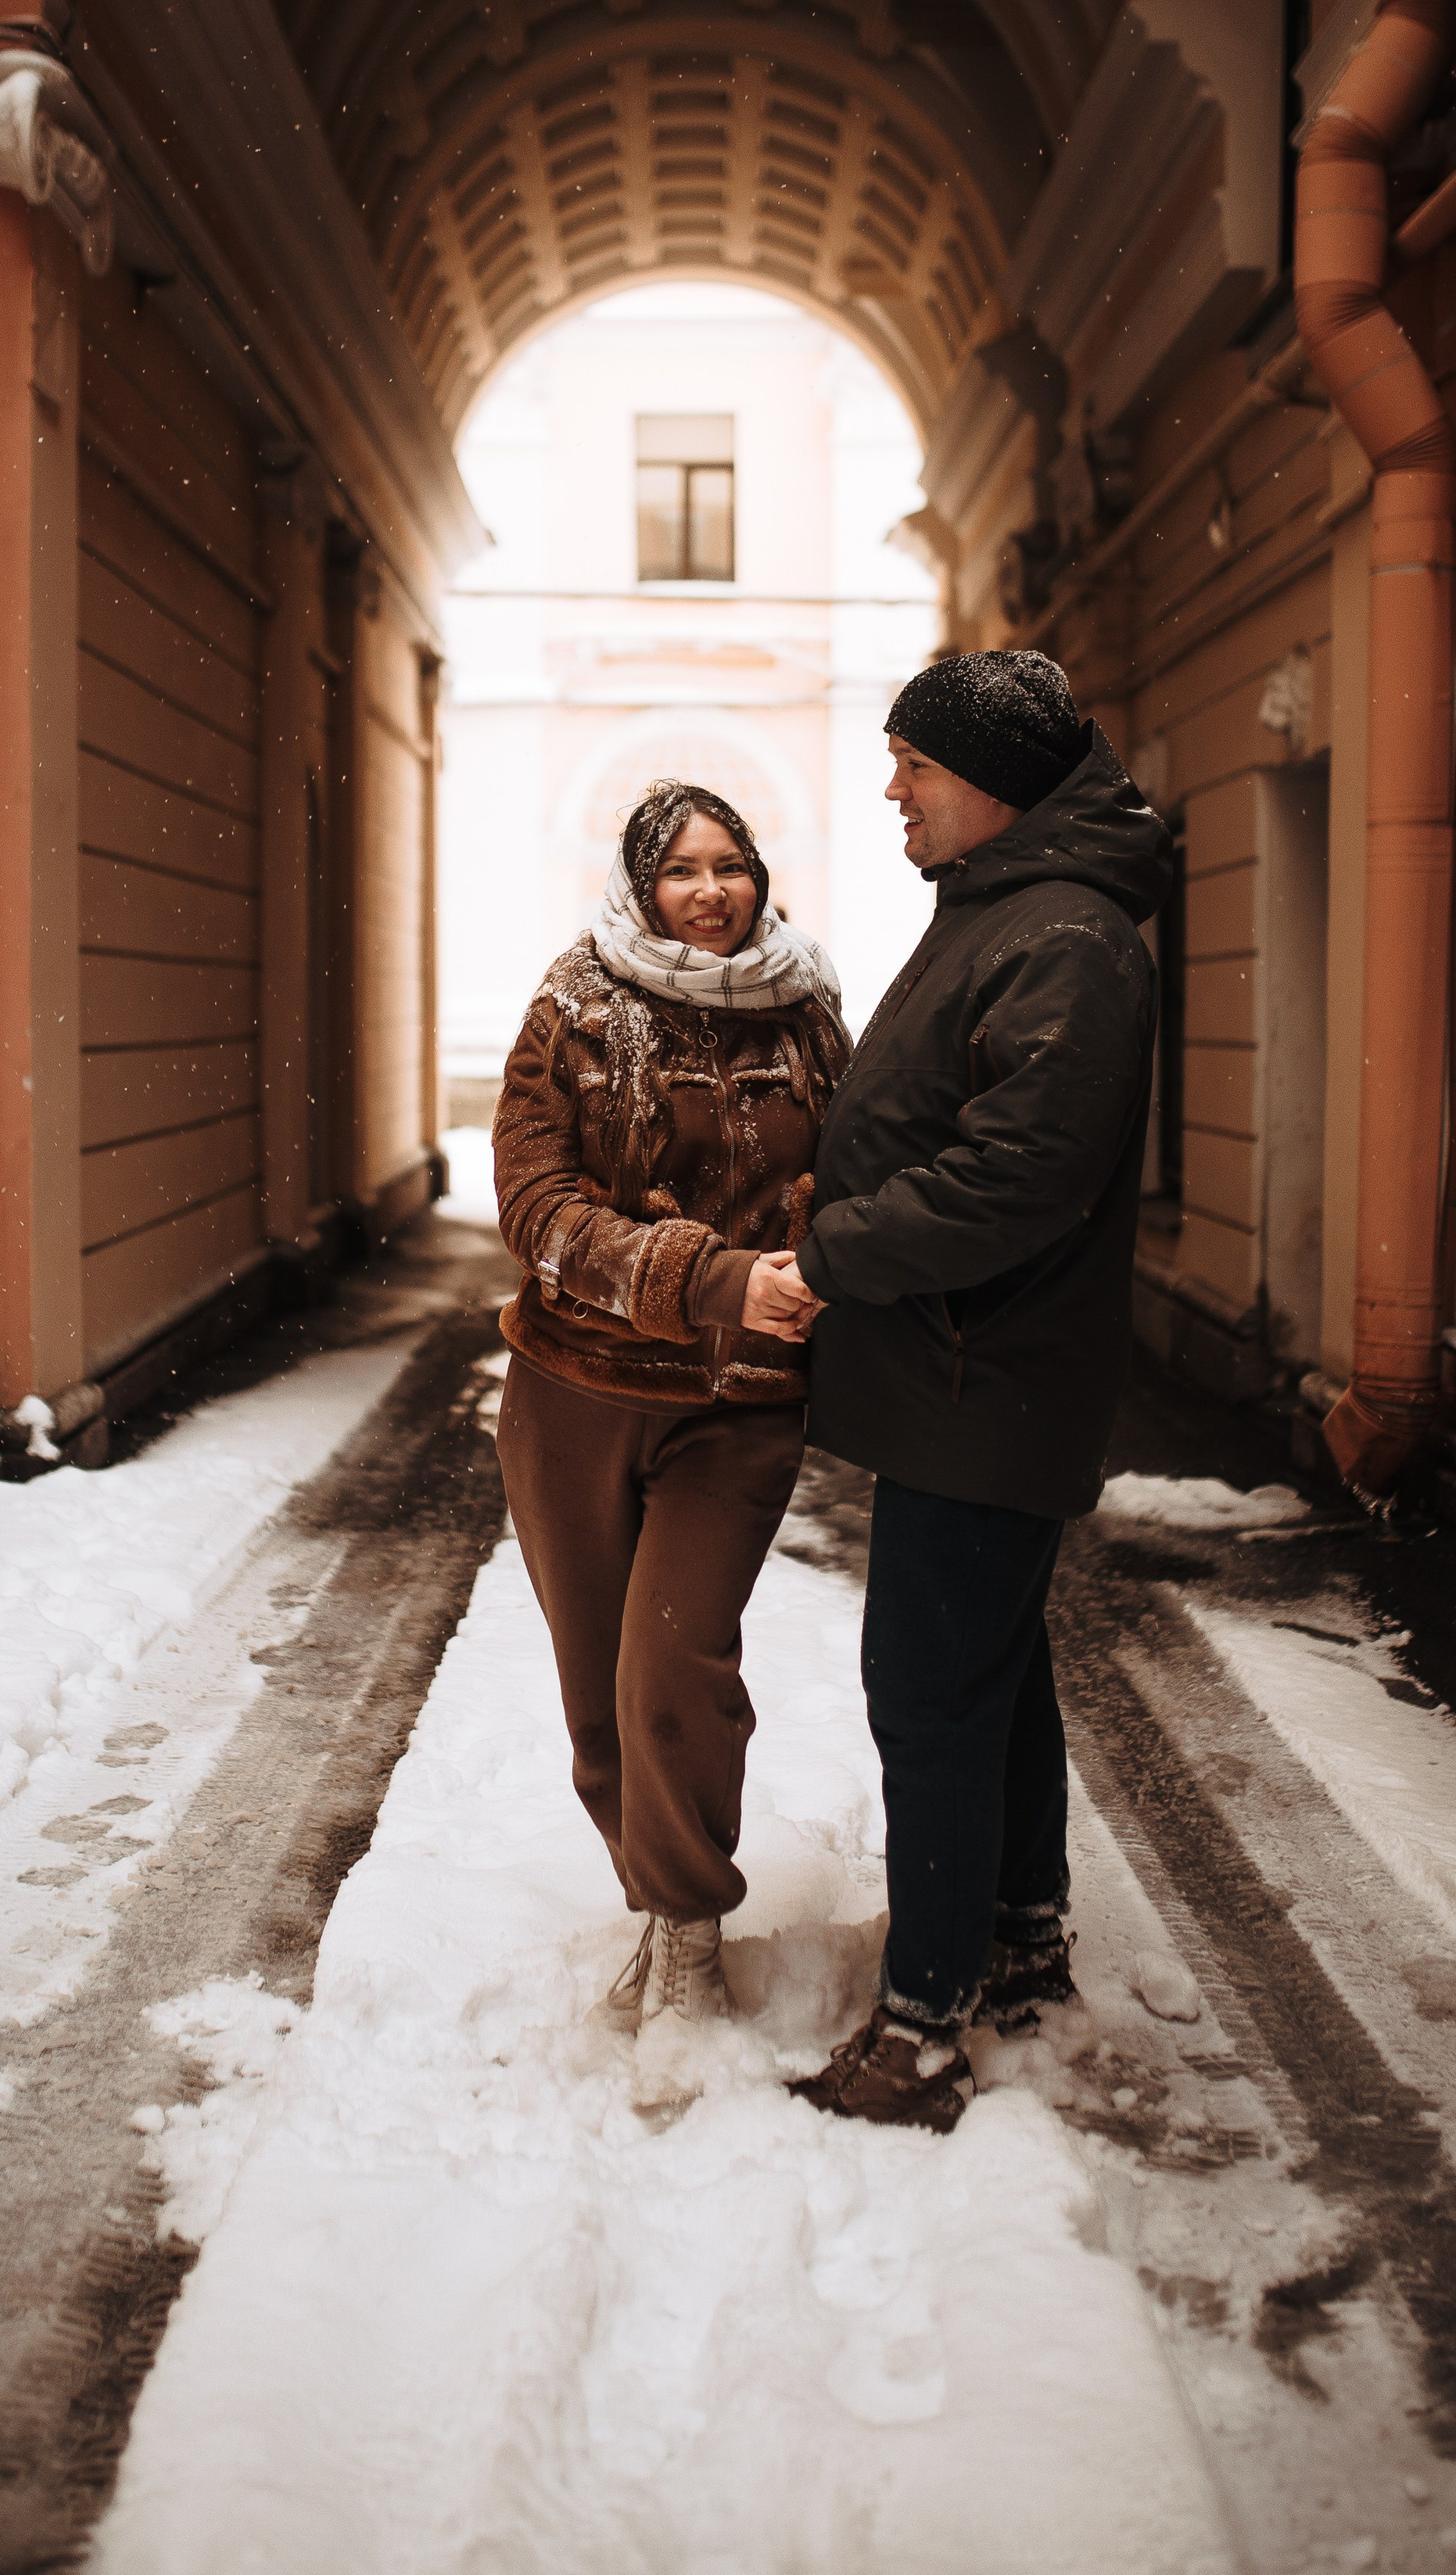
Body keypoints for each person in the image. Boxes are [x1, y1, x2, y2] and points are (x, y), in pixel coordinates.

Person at [773, 649, 1173, 2131]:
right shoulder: (1013, 911)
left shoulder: (1062, 935)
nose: (895, 790)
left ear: (993, 783)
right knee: (995, 1687)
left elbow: (1018, 1176)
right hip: (970, 1369)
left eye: (916, 767)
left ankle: (925, 2025)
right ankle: (1019, 1954)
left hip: (983, 1372)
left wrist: (833, 1252)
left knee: (932, 1694)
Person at [490, 778, 852, 2023]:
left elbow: (858, 1163)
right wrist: (709, 1275)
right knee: (599, 1693)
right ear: (643, 886)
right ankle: (654, 1900)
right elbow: (536, 1208)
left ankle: (691, 1932)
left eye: (731, 866)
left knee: (673, 1663)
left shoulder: (806, 1008)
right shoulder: (574, 1004)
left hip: (738, 1402)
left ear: (761, 875)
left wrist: (817, 1258)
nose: (711, 892)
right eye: (683, 871)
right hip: (575, 1392)